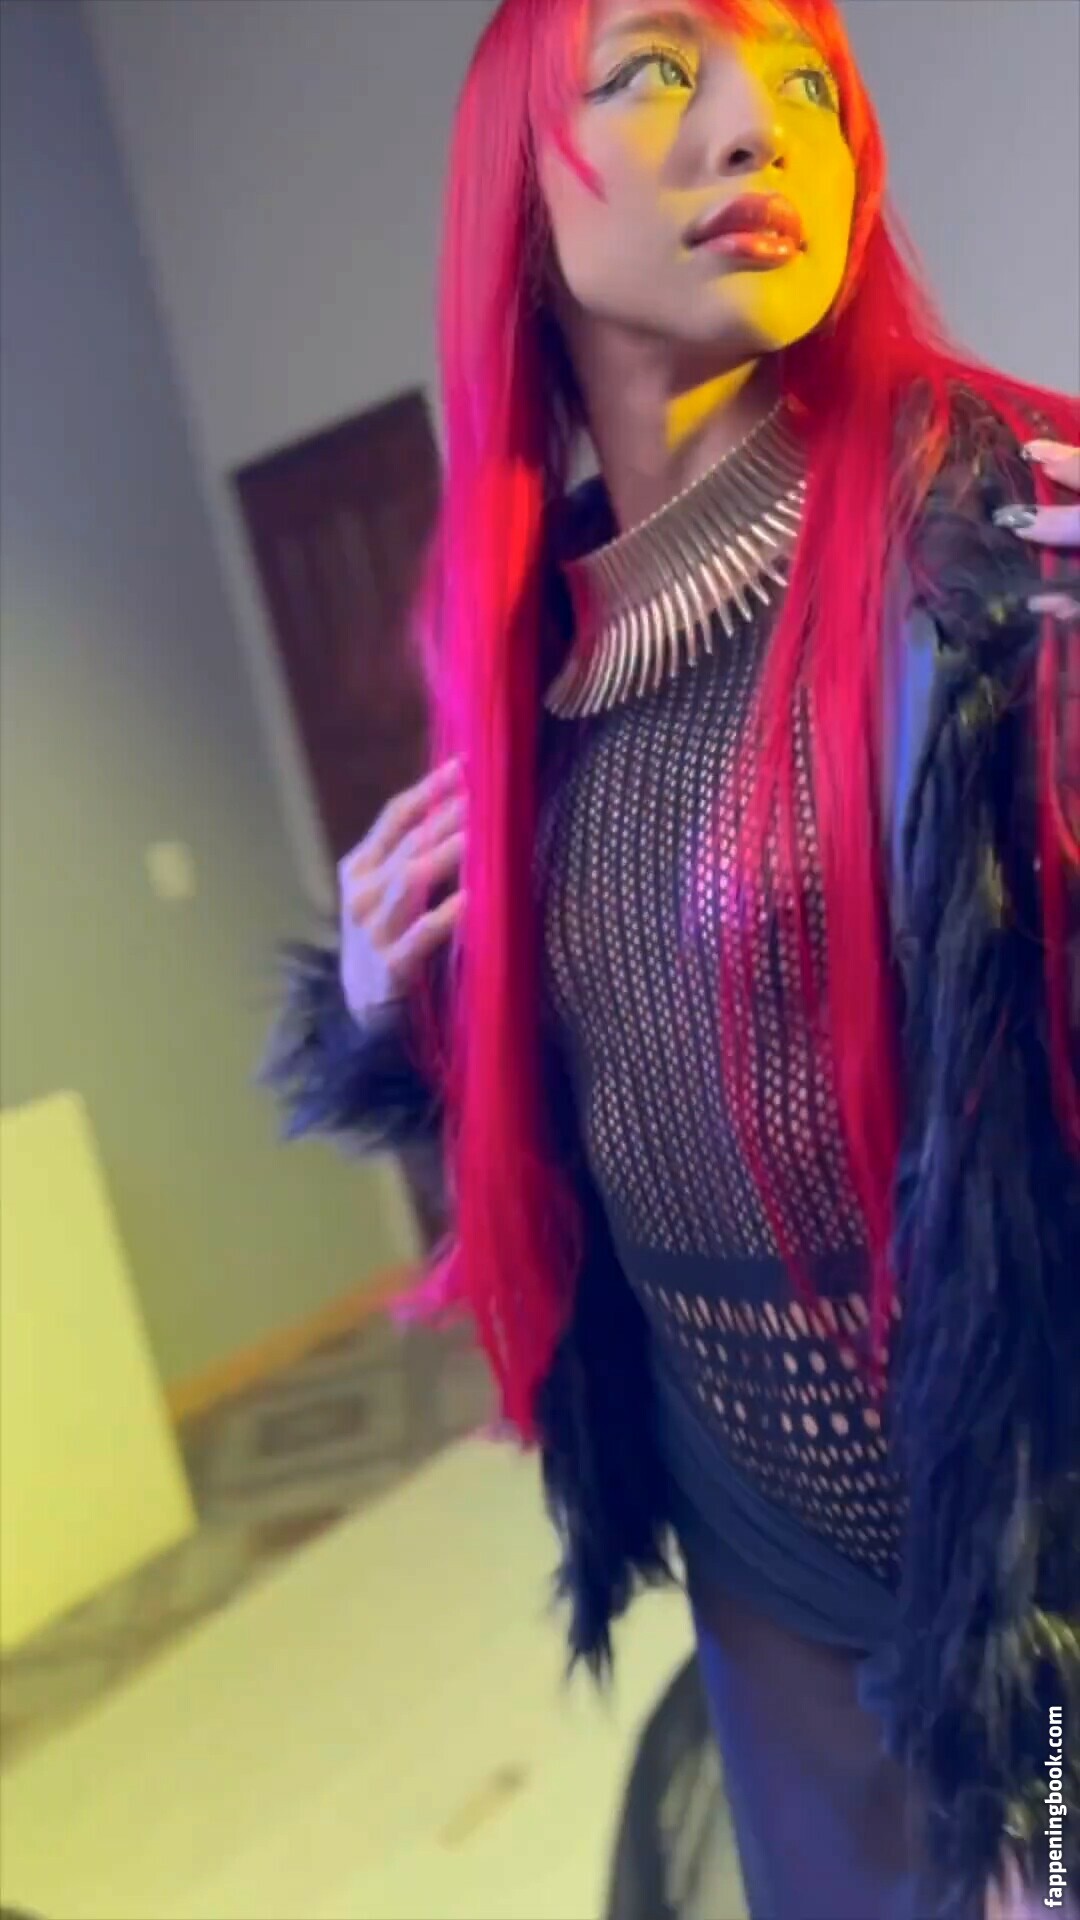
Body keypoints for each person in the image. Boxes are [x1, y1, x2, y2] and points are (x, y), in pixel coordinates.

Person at [262, 1, 1080, 1914]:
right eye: (655, 69)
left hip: (1034, 1565)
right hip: (759, 1571)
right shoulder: (532, 679)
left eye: (807, 84)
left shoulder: (1002, 549)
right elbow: (634, 1105)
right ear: (518, 199)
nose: (758, 129)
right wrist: (398, 1014)